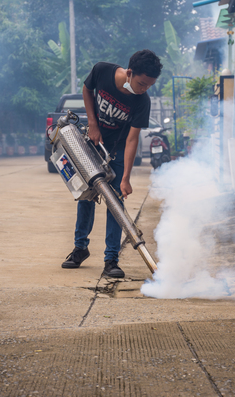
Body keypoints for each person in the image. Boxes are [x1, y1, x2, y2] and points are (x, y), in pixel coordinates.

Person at [61, 49, 163, 278]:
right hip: (91, 144)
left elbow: (132, 139)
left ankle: (111, 260)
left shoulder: (141, 101)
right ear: (129, 72)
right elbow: (87, 90)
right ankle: (80, 248)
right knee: (86, 197)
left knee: (115, 204)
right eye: (141, 83)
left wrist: (126, 177)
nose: (144, 88)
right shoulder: (102, 71)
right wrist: (93, 123)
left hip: (115, 153)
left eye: (149, 85)